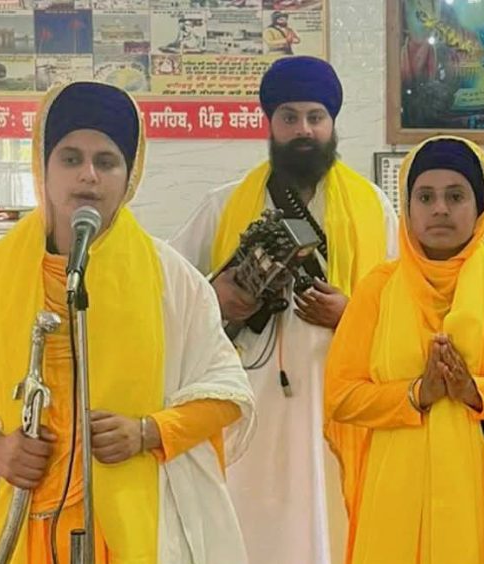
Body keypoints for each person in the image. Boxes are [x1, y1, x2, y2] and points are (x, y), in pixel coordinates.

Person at [0, 81, 255, 563]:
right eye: (71, 158)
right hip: (18, 527)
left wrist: (148, 432)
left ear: (130, 175)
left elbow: (227, 391)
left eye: (107, 161)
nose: (88, 176)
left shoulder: (172, 279)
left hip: (132, 528)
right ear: (43, 166)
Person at [169, 56, 398, 564]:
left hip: (333, 402)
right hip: (248, 404)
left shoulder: (373, 208)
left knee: (331, 526)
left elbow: (405, 307)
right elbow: (169, 296)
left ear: (332, 124)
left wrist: (352, 313)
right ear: (270, 123)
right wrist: (215, 297)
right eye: (289, 117)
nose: (303, 130)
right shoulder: (224, 205)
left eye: (315, 117)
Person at [323, 136, 484, 563]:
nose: (440, 209)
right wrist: (417, 394)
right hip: (397, 505)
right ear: (408, 207)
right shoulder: (377, 290)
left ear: (481, 206)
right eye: (425, 197)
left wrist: (477, 392)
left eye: (456, 196)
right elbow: (341, 397)